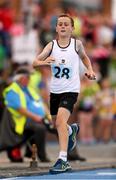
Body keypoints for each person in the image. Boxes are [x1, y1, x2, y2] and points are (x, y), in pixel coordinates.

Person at [33, 14, 96, 174]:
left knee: (60, 122)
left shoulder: (77, 44)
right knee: (57, 124)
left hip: (71, 89)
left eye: (66, 24)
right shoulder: (51, 45)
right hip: (55, 90)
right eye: (60, 24)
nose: (62, 26)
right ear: (56, 28)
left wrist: (89, 70)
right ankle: (71, 131)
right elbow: (35, 62)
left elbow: (85, 58)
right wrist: (43, 62)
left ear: (72, 28)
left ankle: (63, 160)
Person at [0, 67, 51, 162]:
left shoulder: (29, 89)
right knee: (40, 128)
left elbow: (41, 103)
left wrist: (48, 116)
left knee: (59, 127)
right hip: (21, 122)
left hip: (34, 119)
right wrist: (36, 117)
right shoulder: (12, 90)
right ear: (21, 78)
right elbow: (20, 109)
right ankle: (42, 157)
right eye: (28, 77)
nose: (29, 79)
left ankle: (70, 155)